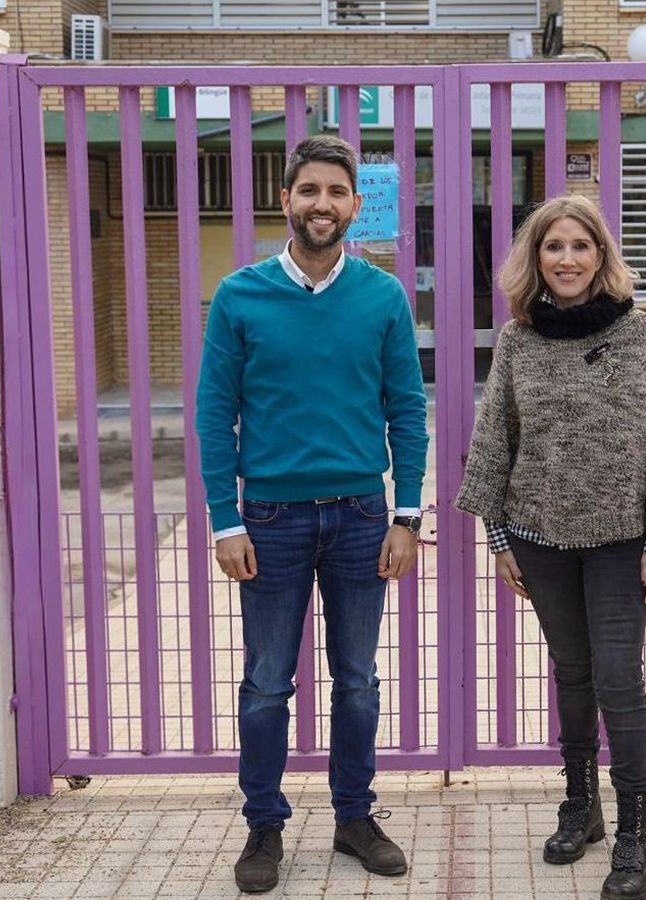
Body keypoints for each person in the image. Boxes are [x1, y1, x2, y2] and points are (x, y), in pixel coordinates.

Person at [196, 133, 428, 894]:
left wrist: (406, 516)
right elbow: (214, 414)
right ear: (286, 200)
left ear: (355, 206)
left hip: (362, 516)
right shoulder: (240, 296)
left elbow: (407, 410)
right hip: (270, 521)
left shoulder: (382, 297)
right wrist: (227, 521)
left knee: (357, 679)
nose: (321, 204)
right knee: (267, 683)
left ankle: (354, 818)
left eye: (335, 192)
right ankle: (264, 825)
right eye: (308, 190)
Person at [454, 194, 646, 900]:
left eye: (579, 246)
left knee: (618, 679)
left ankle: (634, 835)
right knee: (573, 673)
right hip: (540, 538)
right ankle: (581, 806)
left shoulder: (637, 332)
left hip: (623, 540)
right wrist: (499, 536)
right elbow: (495, 435)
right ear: (536, 258)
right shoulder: (518, 339)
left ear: (600, 255)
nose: (566, 258)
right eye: (553, 246)